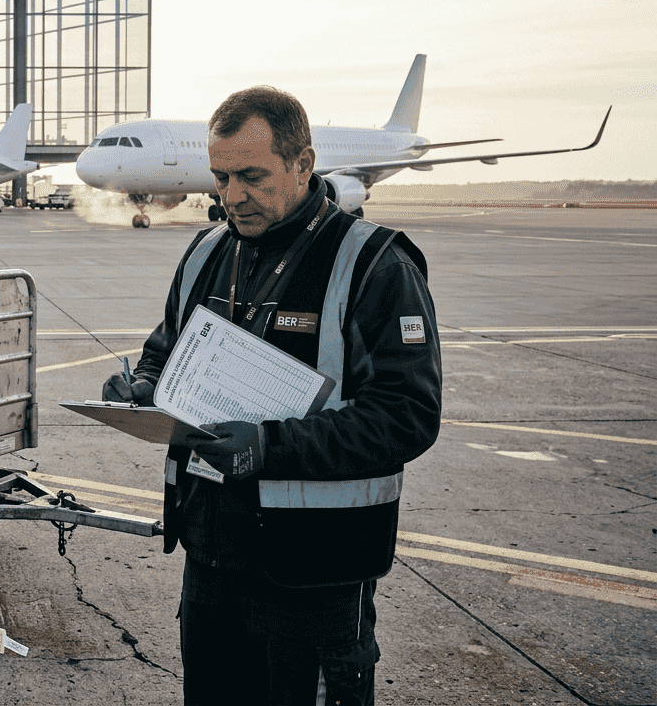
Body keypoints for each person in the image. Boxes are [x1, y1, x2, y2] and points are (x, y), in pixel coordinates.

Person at [102, 86, 442, 705]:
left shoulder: (374, 264)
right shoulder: (207, 251)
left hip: (316, 569)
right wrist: (144, 386)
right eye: (221, 177)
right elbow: (165, 347)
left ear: (303, 164)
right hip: (211, 552)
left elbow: (406, 417)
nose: (230, 196)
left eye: (251, 177)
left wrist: (268, 446)